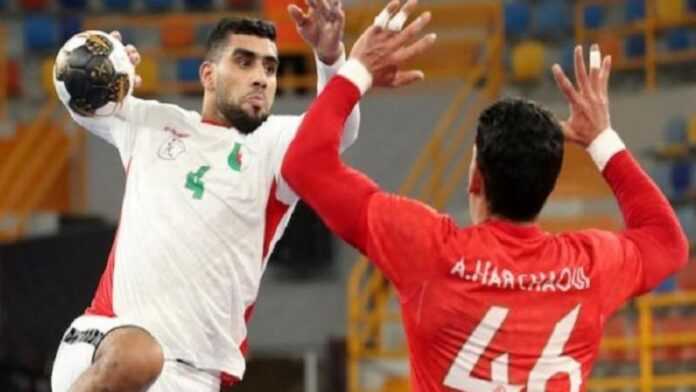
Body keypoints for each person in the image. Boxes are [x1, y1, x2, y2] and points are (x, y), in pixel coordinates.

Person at [281, 2, 689, 390]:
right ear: (548, 184)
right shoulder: (589, 267)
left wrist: (356, 70)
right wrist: (602, 140)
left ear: (475, 177)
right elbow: (668, 242)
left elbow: (305, 163)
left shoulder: (427, 248)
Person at [50, 2, 361, 391]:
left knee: (144, 357)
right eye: (245, 62)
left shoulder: (274, 148)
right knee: (138, 354)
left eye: (269, 67)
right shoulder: (153, 122)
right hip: (105, 341)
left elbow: (338, 131)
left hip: (193, 377)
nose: (261, 78)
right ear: (208, 75)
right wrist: (106, 70)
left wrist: (330, 58)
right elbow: (82, 102)